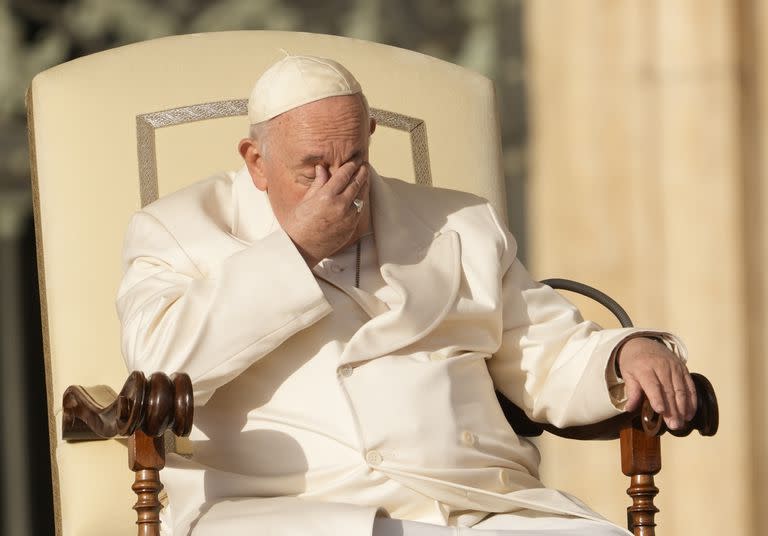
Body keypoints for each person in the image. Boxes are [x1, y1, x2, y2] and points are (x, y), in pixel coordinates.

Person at [117, 55, 696, 536]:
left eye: (353, 162)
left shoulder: (462, 223)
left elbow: (544, 356)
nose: (336, 187)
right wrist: (293, 250)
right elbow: (157, 363)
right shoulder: (178, 229)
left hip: (480, 505)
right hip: (297, 511)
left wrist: (623, 357)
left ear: (370, 138)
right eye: (311, 169)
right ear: (255, 161)